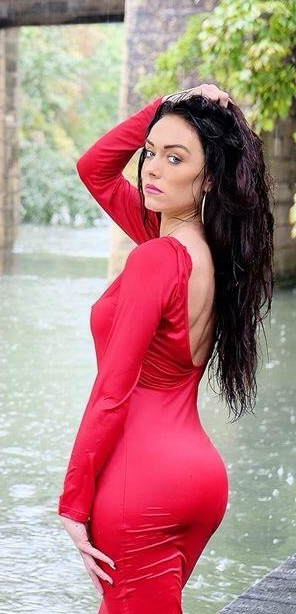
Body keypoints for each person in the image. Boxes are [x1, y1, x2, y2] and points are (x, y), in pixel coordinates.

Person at [56, 83, 276, 613]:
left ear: (209, 177)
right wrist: (167, 107)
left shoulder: (156, 258)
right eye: (150, 152)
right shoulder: (208, 252)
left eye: (174, 158)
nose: (151, 168)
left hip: (142, 482)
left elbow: (113, 391)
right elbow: (94, 169)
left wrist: (73, 501)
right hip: (196, 480)